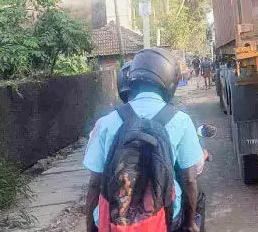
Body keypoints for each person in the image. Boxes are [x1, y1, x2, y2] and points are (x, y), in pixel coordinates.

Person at [84, 48, 204, 232]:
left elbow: (94, 182)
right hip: (166, 219)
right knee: (197, 197)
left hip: (114, 220)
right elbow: (189, 180)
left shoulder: (107, 122)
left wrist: (91, 227)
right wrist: (189, 224)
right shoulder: (180, 120)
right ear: (168, 81)